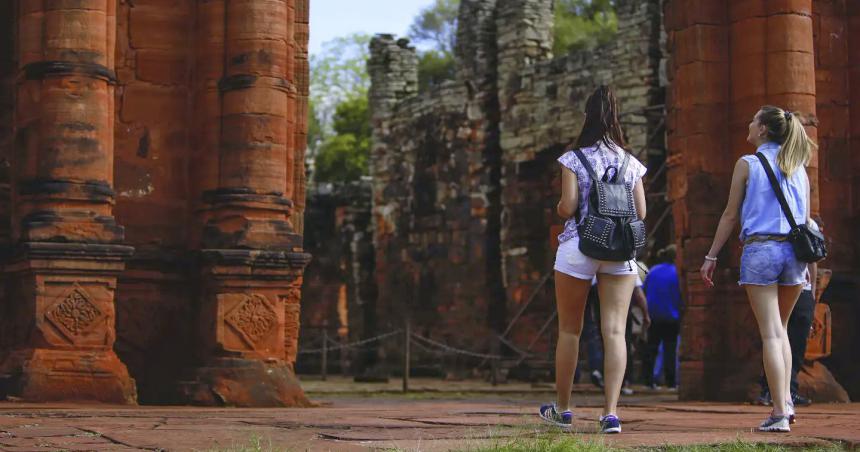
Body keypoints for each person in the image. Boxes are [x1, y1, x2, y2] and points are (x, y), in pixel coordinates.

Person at [700, 106, 817, 433]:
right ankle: (788, 402)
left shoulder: (748, 164)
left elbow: (729, 215)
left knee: (770, 332)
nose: (749, 125)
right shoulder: (799, 168)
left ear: (763, 129)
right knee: (781, 330)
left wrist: (711, 255)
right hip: (795, 255)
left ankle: (779, 411)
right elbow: (806, 219)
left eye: (753, 120)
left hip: (761, 249)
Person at [538, 86, 647, 434]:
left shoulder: (573, 158)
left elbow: (568, 208)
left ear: (587, 117)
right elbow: (641, 212)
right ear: (616, 120)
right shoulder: (632, 163)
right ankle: (610, 414)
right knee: (615, 331)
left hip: (580, 247)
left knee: (570, 329)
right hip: (619, 250)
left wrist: (559, 208)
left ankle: (563, 409)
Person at [757, 219, 821, 407]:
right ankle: (770, 391)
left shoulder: (809, 224)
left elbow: (813, 261)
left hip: (802, 287)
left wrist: (812, 291)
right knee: (774, 336)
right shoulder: (771, 220)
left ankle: (789, 390)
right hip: (777, 286)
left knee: (797, 341)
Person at [643, 245, 682, 389]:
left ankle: (648, 381)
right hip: (672, 315)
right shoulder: (677, 273)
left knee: (651, 348)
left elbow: (644, 290)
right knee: (670, 349)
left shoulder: (653, 271)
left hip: (653, 314)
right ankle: (670, 382)